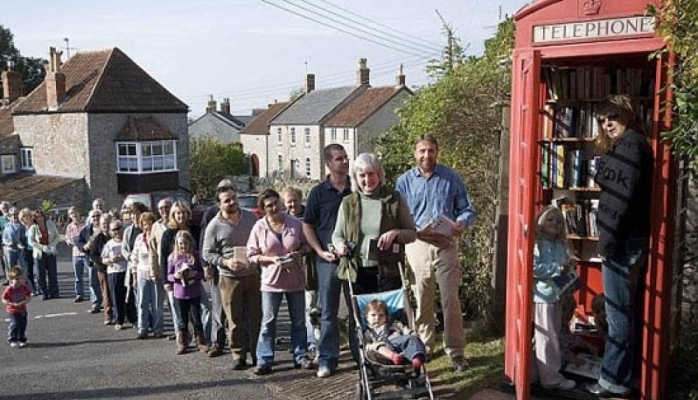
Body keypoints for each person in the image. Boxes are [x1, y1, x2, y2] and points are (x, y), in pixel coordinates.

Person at [584, 94, 653, 398]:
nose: (607, 123)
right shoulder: (633, 145)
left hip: (622, 241)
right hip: (629, 238)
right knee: (623, 312)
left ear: (626, 114)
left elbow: (618, 201)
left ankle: (613, 382)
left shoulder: (630, 146)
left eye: (612, 116)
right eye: (602, 119)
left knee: (617, 315)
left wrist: (605, 242)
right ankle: (626, 375)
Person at [395, 134, 476, 371]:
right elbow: (397, 215)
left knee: (451, 299)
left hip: (446, 244)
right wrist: (415, 230)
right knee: (422, 299)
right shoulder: (404, 182)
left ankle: (456, 351)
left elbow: (467, 208)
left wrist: (461, 223)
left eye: (430, 151)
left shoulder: (450, 177)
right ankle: (425, 347)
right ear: (415, 153)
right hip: (418, 245)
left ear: (437, 152)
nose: (426, 155)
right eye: (422, 151)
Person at [332, 153, 417, 365]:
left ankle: (395, 362)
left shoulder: (394, 199)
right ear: (355, 177)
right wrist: (339, 246)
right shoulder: (348, 202)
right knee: (360, 321)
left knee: (392, 318)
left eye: (371, 174)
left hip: (387, 269)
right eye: (362, 175)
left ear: (379, 175)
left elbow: (412, 233)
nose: (367, 180)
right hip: (357, 271)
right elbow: (337, 234)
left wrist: (396, 232)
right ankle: (364, 364)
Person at [247, 189, 312, 375]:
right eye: (269, 205)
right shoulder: (259, 227)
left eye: (276, 203)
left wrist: (299, 253)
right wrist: (270, 260)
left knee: (298, 321)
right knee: (268, 322)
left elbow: (308, 244)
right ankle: (265, 359)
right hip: (271, 282)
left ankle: (301, 356)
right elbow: (251, 254)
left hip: (295, 280)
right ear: (263, 208)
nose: (274, 208)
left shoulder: (294, 223)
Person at [302, 144, 353, 378]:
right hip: (328, 261)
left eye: (345, 158)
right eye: (339, 158)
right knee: (328, 312)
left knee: (357, 310)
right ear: (328, 164)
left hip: (355, 260)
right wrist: (319, 251)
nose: (344, 162)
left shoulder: (357, 187)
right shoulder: (318, 193)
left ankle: (360, 355)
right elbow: (307, 225)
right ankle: (327, 359)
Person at [202, 184, 260, 370]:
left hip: (253, 275)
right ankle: (238, 354)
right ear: (219, 204)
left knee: (256, 317)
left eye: (234, 198)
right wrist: (225, 262)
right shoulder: (214, 226)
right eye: (227, 200)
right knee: (234, 320)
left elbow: (261, 241)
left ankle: (259, 353)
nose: (233, 202)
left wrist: (256, 258)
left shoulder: (251, 218)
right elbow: (206, 253)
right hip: (229, 278)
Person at [531, 205, 576, 390]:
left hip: (558, 295)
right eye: (550, 219)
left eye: (558, 221)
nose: (554, 224)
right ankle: (551, 379)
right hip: (543, 296)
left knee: (552, 335)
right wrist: (557, 269)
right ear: (540, 222)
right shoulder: (537, 244)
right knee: (546, 338)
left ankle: (535, 373)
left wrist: (570, 267)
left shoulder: (561, 245)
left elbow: (565, 266)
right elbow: (533, 268)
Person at [281, 186, 320, 355]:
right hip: (289, 269)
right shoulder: (282, 220)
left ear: (300, 199)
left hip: (308, 265)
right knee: (295, 308)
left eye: (294, 201)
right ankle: (299, 340)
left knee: (310, 304)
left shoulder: (308, 217)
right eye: (288, 202)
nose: (292, 205)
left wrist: (303, 251)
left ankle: (311, 340)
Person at [160, 201, 198, 342]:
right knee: (178, 312)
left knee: (202, 309)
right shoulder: (168, 234)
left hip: (195, 279)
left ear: (188, 213)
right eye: (177, 213)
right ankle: (181, 339)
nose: (180, 215)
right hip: (175, 281)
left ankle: (200, 337)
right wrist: (165, 281)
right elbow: (163, 259)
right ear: (173, 215)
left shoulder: (195, 230)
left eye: (183, 212)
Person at [167, 230, 208, 355]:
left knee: (196, 318)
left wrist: (194, 274)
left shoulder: (195, 256)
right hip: (179, 293)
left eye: (185, 243)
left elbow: (202, 274)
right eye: (180, 244)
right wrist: (175, 276)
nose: (182, 246)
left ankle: (200, 341)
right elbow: (168, 275)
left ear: (189, 243)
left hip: (194, 292)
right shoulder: (172, 257)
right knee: (181, 320)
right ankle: (182, 343)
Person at [363, 299, 426, 374]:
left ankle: (416, 359)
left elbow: (404, 329)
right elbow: (367, 346)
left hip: (398, 344)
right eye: (373, 315)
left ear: (386, 317)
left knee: (412, 338)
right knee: (377, 346)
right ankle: (394, 356)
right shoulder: (368, 332)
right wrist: (372, 346)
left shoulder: (393, 324)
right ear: (367, 317)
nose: (377, 318)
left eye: (381, 315)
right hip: (384, 350)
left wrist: (411, 332)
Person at [130, 211, 165, 339]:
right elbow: (134, 257)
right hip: (142, 273)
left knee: (157, 303)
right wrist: (134, 275)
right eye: (144, 224)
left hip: (156, 273)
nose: (147, 226)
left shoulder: (158, 236)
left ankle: (158, 328)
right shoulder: (139, 238)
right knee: (142, 303)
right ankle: (142, 329)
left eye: (149, 223)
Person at [101, 220, 132, 331]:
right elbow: (103, 259)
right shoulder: (109, 244)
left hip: (127, 271)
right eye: (113, 230)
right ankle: (119, 320)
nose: (116, 231)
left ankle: (132, 318)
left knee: (130, 297)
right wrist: (111, 259)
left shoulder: (127, 241)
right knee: (116, 298)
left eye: (118, 228)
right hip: (114, 273)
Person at [148, 198, 172, 336]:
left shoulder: (176, 223)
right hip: (162, 267)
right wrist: (153, 270)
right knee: (160, 302)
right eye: (161, 208)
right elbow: (152, 250)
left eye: (167, 207)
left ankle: (181, 330)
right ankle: (159, 329)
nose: (164, 211)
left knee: (176, 302)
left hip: (176, 266)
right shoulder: (156, 226)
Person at [86, 214, 114, 324]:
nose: (106, 226)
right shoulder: (98, 238)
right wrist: (103, 261)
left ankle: (122, 314)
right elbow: (93, 255)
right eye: (103, 224)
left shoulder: (116, 235)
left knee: (118, 292)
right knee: (106, 293)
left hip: (117, 269)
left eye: (107, 223)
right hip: (103, 269)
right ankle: (108, 315)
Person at [26, 210, 61, 300]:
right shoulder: (33, 227)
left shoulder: (50, 224)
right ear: (35, 218)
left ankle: (54, 292)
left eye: (41, 216)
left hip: (51, 251)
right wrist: (42, 247)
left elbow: (57, 236)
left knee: (52, 273)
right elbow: (31, 241)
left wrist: (51, 245)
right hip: (39, 254)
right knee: (40, 274)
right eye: (37, 217)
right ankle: (43, 293)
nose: (40, 218)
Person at [76, 210, 104, 313]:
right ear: (90, 218)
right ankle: (96, 302)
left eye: (98, 216)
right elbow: (79, 241)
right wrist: (83, 247)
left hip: (105, 261)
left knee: (105, 283)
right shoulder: (86, 230)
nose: (95, 218)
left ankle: (108, 303)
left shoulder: (106, 227)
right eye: (93, 216)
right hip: (92, 261)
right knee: (93, 283)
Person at [2, 266, 33, 347]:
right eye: (17, 279)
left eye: (21, 279)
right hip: (13, 310)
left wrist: (25, 301)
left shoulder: (23, 287)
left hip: (22, 309)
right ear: (11, 280)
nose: (19, 281)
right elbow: (4, 299)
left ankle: (22, 338)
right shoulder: (9, 289)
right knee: (15, 323)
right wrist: (11, 304)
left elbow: (30, 295)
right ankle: (12, 338)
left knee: (23, 324)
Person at [65, 207, 87, 303]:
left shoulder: (85, 224)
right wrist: (70, 242)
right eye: (71, 213)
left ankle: (94, 294)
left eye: (75, 212)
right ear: (70, 216)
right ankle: (79, 294)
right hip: (76, 254)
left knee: (91, 275)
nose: (74, 214)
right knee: (78, 277)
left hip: (86, 253)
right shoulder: (69, 227)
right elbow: (67, 238)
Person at [3, 207, 28, 281]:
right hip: (10, 249)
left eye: (16, 214)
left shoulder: (23, 225)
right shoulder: (7, 225)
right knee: (11, 267)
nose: (14, 216)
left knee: (23, 267)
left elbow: (26, 237)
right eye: (12, 215)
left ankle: (24, 282)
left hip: (21, 250)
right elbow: (4, 237)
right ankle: (12, 282)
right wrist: (7, 243)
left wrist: (22, 244)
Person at [18, 208, 38, 295]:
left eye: (29, 215)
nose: (28, 218)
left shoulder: (36, 226)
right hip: (26, 251)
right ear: (22, 218)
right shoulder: (22, 228)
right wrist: (20, 245)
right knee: (28, 271)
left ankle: (41, 288)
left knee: (38, 271)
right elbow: (18, 239)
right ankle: (32, 289)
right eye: (25, 217)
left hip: (36, 250)